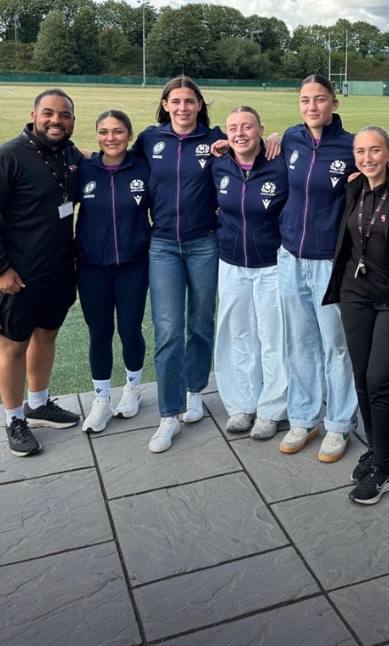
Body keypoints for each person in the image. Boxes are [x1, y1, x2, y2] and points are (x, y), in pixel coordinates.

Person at [0, 89, 81, 456]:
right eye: (48, 113)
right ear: (33, 115)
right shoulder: (6, 157)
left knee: (46, 337)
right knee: (13, 345)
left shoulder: (69, 154)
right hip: (15, 276)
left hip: (58, 270)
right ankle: (13, 419)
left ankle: (39, 404)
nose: (56, 120)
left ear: (72, 122)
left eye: (64, 115)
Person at [324, 126, 389, 504]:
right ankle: (377, 451)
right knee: (362, 378)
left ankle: (383, 468)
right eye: (360, 151)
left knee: (380, 379)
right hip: (354, 297)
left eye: (375, 150)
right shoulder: (353, 188)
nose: (367, 158)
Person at [131, 77, 225, 453]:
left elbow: (253, 142)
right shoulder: (149, 140)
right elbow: (116, 160)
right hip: (163, 246)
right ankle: (168, 414)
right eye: (176, 101)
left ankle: (194, 391)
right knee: (168, 329)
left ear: (200, 105)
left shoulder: (217, 139)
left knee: (201, 323)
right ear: (165, 104)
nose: (183, 107)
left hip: (206, 243)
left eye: (190, 101)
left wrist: (276, 137)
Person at [277, 74, 358, 462]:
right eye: (306, 100)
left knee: (336, 346)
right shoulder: (290, 139)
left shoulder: (350, 145)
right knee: (300, 343)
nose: (312, 107)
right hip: (290, 256)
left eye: (320, 99)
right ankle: (304, 417)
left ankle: (340, 424)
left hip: (330, 261)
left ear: (334, 104)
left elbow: (383, 177)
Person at [212, 106, 289, 440]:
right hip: (231, 264)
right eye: (233, 128)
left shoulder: (280, 165)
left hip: (272, 265)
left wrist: (279, 137)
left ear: (260, 130)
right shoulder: (218, 166)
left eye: (247, 127)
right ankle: (242, 405)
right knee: (238, 336)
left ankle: (272, 410)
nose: (240, 133)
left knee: (274, 338)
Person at [76, 110, 151, 433]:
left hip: (133, 264)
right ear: (96, 136)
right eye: (104, 132)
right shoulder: (83, 170)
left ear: (129, 135)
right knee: (99, 332)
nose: (111, 138)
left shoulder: (143, 168)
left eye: (118, 131)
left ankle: (133, 388)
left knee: (130, 329)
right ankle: (102, 400)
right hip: (91, 266)